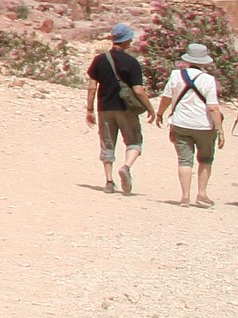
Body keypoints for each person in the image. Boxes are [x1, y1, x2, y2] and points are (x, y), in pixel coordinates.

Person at [152, 43, 222, 207]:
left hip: (180, 123)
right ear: (204, 61)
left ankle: (185, 196)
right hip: (204, 125)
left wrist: (160, 113)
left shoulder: (176, 75)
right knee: (205, 159)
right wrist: (220, 130)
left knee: (185, 160)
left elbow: (166, 98)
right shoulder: (209, 80)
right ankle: (202, 194)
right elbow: (212, 107)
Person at [85, 24, 150, 195]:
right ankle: (126, 167)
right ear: (127, 40)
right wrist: (149, 108)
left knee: (107, 144)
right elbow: (138, 90)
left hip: (104, 108)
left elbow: (92, 87)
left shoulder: (98, 60)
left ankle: (108, 181)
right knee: (134, 142)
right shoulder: (132, 62)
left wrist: (89, 110)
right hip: (126, 109)